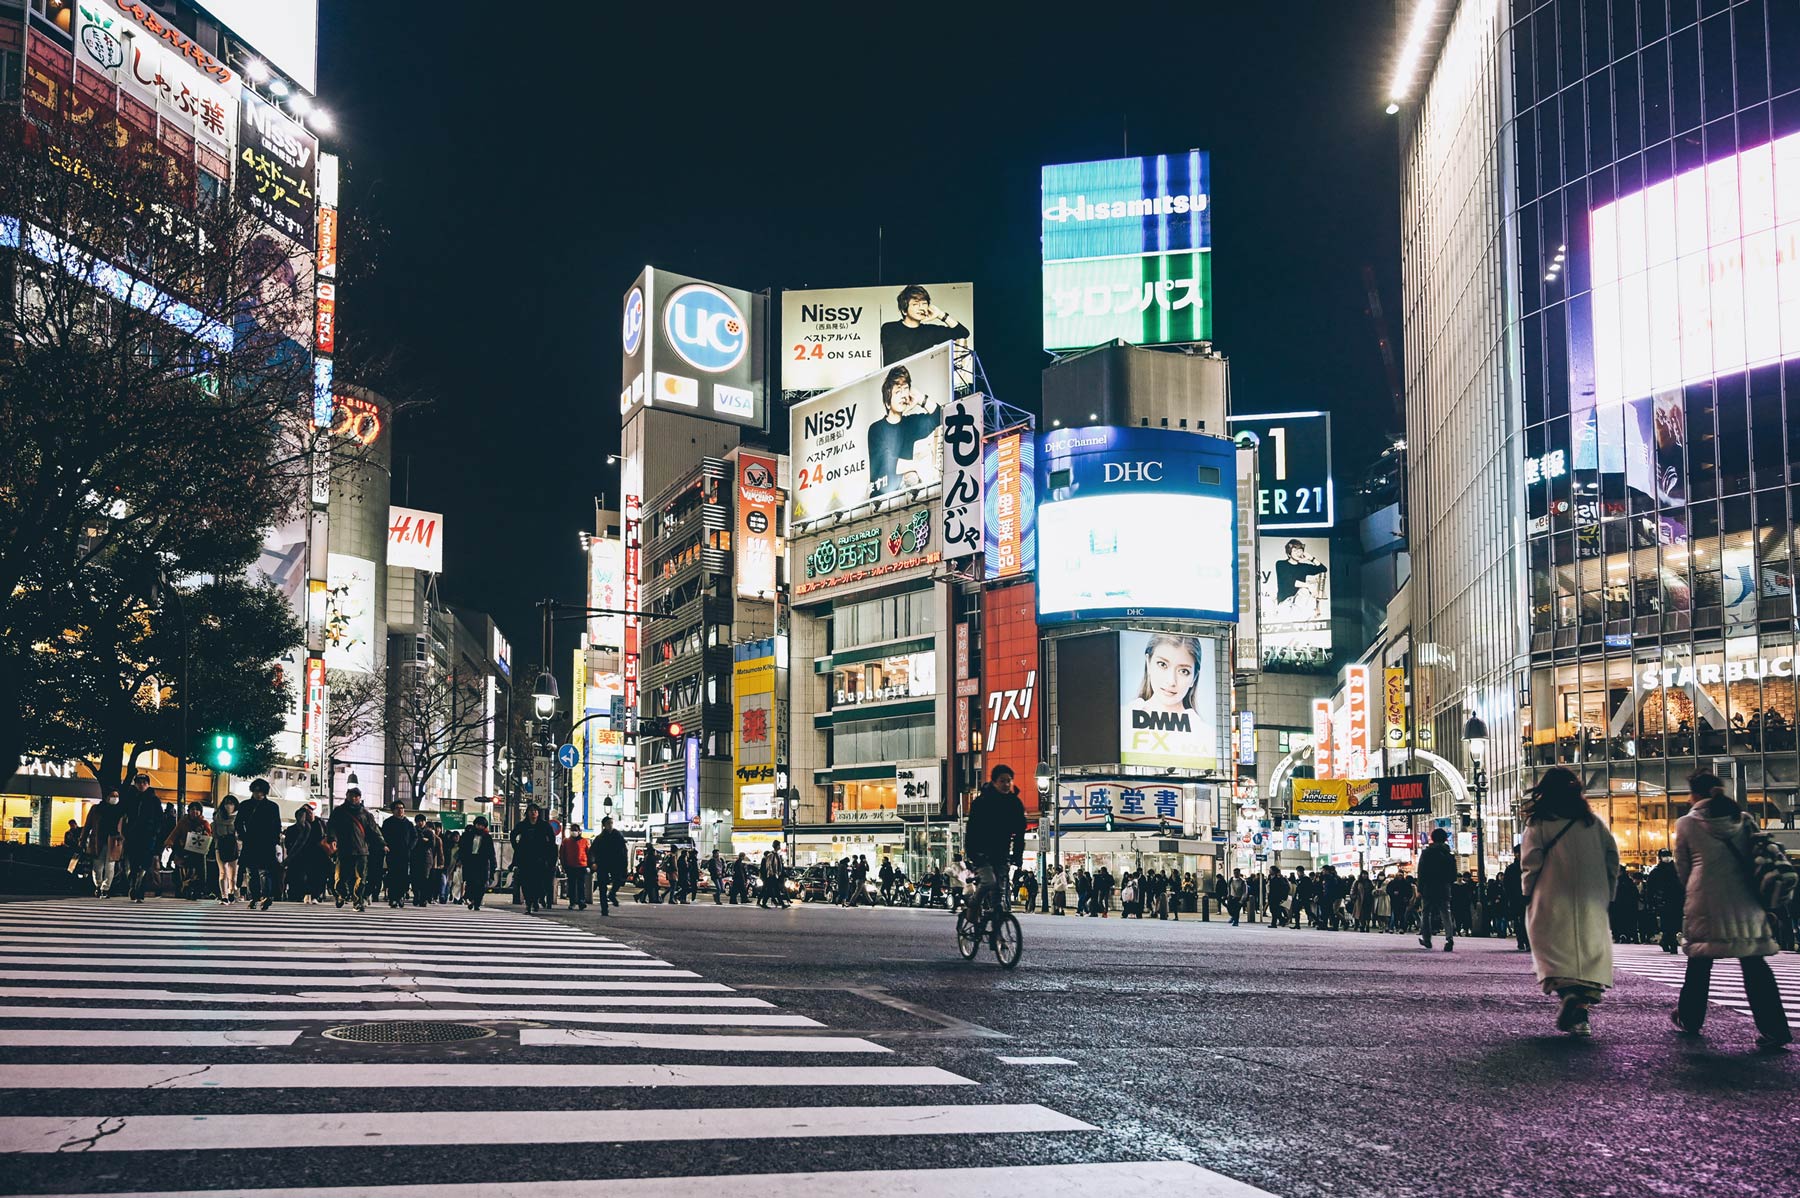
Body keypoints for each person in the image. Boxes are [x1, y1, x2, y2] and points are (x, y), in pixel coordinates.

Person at [1671, 772, 1792, 1049]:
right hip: (1746, 901)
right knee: (1754, 965)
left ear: (1694, 795)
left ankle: (1690, 1018)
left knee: (1699, 963)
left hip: (1706, 902)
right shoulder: (1743, 819)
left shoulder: (1687, 824)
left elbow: (1683, 870)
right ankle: (1775, 1029)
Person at [1520, 765, 1619, 1037]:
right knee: (1588, 951)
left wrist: (1527, 891)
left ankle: (1567, 995)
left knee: (1553, 949)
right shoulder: (1592, 823)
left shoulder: (1539, 823)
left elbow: (1531, 862)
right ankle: (1581, 1010)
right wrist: (1609, 891)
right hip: (1591, 897)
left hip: (1551, 894)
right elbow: (1612, 858)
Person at [865, 363, 943, 501]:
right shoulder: (876, 429)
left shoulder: (911, 424)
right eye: (897, 391)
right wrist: (917, 466)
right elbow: (887, 464)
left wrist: (920, 399)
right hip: (880, 501)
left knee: (912, 478)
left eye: (905, 389)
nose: (903, 395)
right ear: (887, 400)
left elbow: (940, 417)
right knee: (912, 476)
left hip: (905, 497)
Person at [963, 764, 1027, 923]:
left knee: (999, 892)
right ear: (994, 782)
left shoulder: (1014, 803)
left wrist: (1017, 856)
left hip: (1001, 853)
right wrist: (972, 852)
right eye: (1002, 781)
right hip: (980, 853)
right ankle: (973, 904)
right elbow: (971, 829)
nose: (1006, 784)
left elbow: (1020, 832)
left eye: (1009, 781)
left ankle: (997, 936)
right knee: (989, 881)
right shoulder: (982, 802)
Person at [879, 283, 970, 364]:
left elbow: (962, 333)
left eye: (924, 303)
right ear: (904, 311)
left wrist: (940, 314)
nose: (921, 308)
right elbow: (901, 357)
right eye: (915, 304)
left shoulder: (929, 330)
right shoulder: (890, 328)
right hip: (899, 380)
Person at [326, 788, 384, 911]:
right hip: (343, 849)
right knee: (340, 877)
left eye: (357, 796)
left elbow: (374, 830)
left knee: (361, 878)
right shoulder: (339, 811)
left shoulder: (365, 814)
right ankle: (341, 894)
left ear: (360, 798)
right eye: (352, 795)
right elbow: (331, 826)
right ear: (347, 796)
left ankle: (357, 901)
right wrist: (332, 839)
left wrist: (382, 843)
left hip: (361, 850)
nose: (354, 798)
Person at [237, 779, 282, 909]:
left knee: (261, 871)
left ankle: (264, 896)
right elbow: (238, 823)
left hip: (262, 841)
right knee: (255, 871)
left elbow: (277, 825)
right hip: (255, 841)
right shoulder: (246, 805)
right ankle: (258, 896)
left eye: (261, 791)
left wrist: (274, 839)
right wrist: (243, 835)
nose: (258, 794)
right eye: (256, 791)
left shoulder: (271, 807)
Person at [120, 774, 164, 903]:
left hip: (148, 836)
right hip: (132, 836)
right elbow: (124, 815)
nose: (142, 785)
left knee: (144, 864)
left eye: (144, 782)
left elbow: (160, 819)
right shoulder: (130, 798)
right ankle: (133, 885)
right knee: (133, 864)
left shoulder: (154, 800)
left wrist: (156, 832)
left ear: (148, 784)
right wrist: (125, 832)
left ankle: (140, 890)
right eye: (139, 782)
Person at [1416, 828, 1457, 951]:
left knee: (1426, 912)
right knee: (1445, 912)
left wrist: (1420, 888)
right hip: (1444, 886)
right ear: (1445, 839)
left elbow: (1421, 872)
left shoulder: (1427, 853)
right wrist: (1448, 883)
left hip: (1428, 886)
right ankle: (1449, 938)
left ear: (1432, 838)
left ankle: (1427, 938)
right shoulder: (1448, 854)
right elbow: (1453, 874)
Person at [512, 806, 557, 914]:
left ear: (538, 813)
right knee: (525, 882)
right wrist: (517, 847)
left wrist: (549, 854)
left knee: (539, 882)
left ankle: (536, 899)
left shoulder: (544, 825)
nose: (533, 813)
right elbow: (513, 835)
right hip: (525, 858)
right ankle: (529, 903)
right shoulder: (523, 825)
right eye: (531, 811)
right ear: (527, 813)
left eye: (535, 811)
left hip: (540, 858)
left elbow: (552, 839)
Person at [82, 789, 126, 899]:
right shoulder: (96, 809)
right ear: (106, 797)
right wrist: (82, 839)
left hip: (114, 841)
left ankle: (105, 889)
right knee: (98, 866)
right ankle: (98, 885)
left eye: (116, 795)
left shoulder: (120, 811)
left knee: (110, 866)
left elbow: (123, 827)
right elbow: (88, 825)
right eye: (112, 795)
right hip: (98, 840)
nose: (115, 798)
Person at [164, 801, 211, 900]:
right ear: (188, 811)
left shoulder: (204, 823)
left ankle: (198, 890)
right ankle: (183, 888)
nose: (195, 812)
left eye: (197, 810)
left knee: (200, 872)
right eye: (192, 809)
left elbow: (209, 834)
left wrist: (205, 834)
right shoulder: (183, 822)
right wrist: (169, 842)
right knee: (183, 870)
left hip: (199, 851)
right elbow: (175, 833)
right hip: (184, 849)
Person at [285, 805, 328, 903]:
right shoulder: (295, 828)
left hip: (315, 855)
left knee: (314, 876)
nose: (309, 814)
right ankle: (301, 895)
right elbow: (289, 844)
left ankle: (314, 895)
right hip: (300, 856)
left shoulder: (319, 825)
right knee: (300, 876)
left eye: (310, 812)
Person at [1644, 848, 1684, 953]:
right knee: (1668, 923)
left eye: (1668, 855)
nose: (1667, 858)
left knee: (1674, 923)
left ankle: (1666, 940)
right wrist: (1651, 902)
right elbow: (1650, 889)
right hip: (1663, 901)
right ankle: (1671, 942)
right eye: (1665, 856)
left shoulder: (1677, 869)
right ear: (1660, 858)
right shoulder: (1656, 872)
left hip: (1676, 900)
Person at [380, 804, 417, 909]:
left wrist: (410, 848)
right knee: (392, 875)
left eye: (402, 808)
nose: (400, 810)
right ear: (393, 810)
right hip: (392, 853)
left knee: (403, 876)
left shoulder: (408, 824)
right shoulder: (388, 823)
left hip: (405, 854)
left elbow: (414, 837)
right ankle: (393, 898)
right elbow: (383, 836)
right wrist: (385, 845)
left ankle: (400, 896)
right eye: (397, 808)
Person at [459, 816, 497, 910]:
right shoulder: (467, 835)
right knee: (471, 883)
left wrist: (493, 864)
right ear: (475, 825)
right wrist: (462, 860)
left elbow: (491, 853)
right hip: (470, 862)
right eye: (478, 825)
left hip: (482, 862)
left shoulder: (487, 837)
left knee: (481, 884)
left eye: (482, 825)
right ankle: (471, 899)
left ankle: (477, 902)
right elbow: (462, 849)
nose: (480, 827)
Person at [591, 816, 627, 916]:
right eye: (608, 823)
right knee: (602, 886)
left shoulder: (618, 835)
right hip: (602, 864)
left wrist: (625, 864)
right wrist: (593, 862)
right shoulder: (599, 838)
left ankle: (612, 894)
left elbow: (623, 850)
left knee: (619, 880)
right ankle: (604, 908)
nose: (610, 825)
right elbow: (592, 851)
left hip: (616, 863)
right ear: (604, 825)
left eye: (611, 823)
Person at [212, 796, 242, 903]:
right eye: (227, 803)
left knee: (233, 874)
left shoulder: (238, 817)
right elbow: (214, 833)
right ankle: (224, 895)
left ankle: (231, 892)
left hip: (233, 846)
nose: (229, 806)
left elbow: (240, 834)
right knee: (223, 872)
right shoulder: (217, 817)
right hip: (220, 845)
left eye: (232, 804)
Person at [1501, 855, 1530, 950]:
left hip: (1518, 898)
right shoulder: (1525, 867)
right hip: (1521, 898)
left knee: (1521, 921)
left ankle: (1522, 941)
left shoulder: (1512, 868)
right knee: (1522, 921)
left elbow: (1506, 885)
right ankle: (1524, 941)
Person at [561, 824, 591, 910]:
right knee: (572, 885)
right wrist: (564, 865)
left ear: (579, 831)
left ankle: (581, 901)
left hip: (582, 866)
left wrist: (589, 865)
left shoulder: (585, 841)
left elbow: (588, 853)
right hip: (570, 866)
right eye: (572, 830)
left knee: (581, 885)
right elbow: (562, 854)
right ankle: (572, 902)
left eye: (575, 830)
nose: (573, 832)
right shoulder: (566, 841)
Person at [760, 843, 790, 908]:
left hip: (775, 875)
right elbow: (769, 865)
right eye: (779, 845)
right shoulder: (771, 855)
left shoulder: (777, 855)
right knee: (773, 889)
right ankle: (781, 904)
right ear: (776, 846)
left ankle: (780, 904)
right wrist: (772, 873)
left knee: (774, 890)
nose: (779, 847)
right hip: (772, 875)